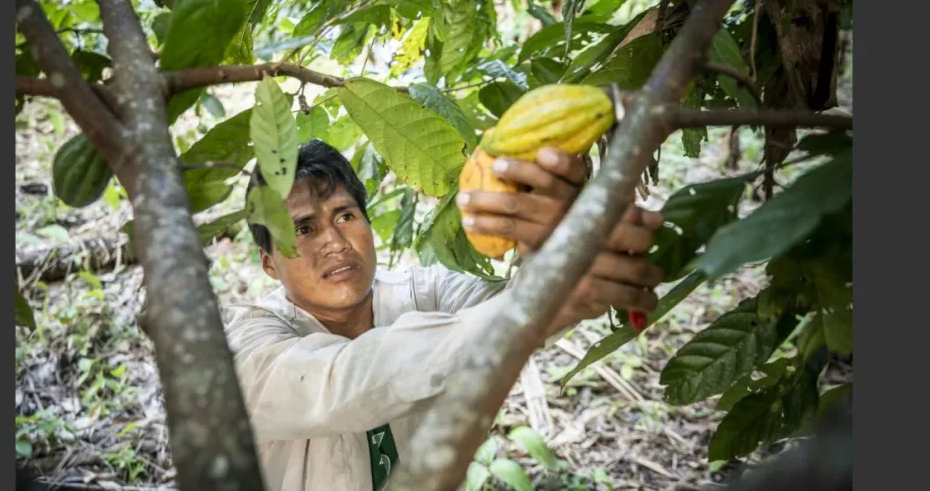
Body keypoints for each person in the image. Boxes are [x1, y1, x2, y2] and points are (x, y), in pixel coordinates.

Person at [223, 139, 665, 491]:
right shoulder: (249, 345)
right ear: (267, 262)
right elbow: (344, 382)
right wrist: (533, 304)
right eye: (303, 228)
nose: (335, 242)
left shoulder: (424, 292)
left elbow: (512, 305)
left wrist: (557, 250)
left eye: (345, 215)